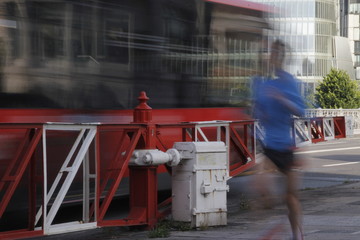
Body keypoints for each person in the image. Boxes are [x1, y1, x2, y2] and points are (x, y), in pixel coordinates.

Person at [253, 39, 305, 240]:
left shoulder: (289, 81)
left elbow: (301, 111)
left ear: (282, 57)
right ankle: (269, 220)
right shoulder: (261, 84)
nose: (272, 56)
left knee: (291, 197)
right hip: (268, 146)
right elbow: (257, 111)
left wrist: (282, 100)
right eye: (271, 52)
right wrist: (259, 112)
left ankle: (296, 234)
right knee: (261, 188)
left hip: (287, 146)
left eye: (276, 53)